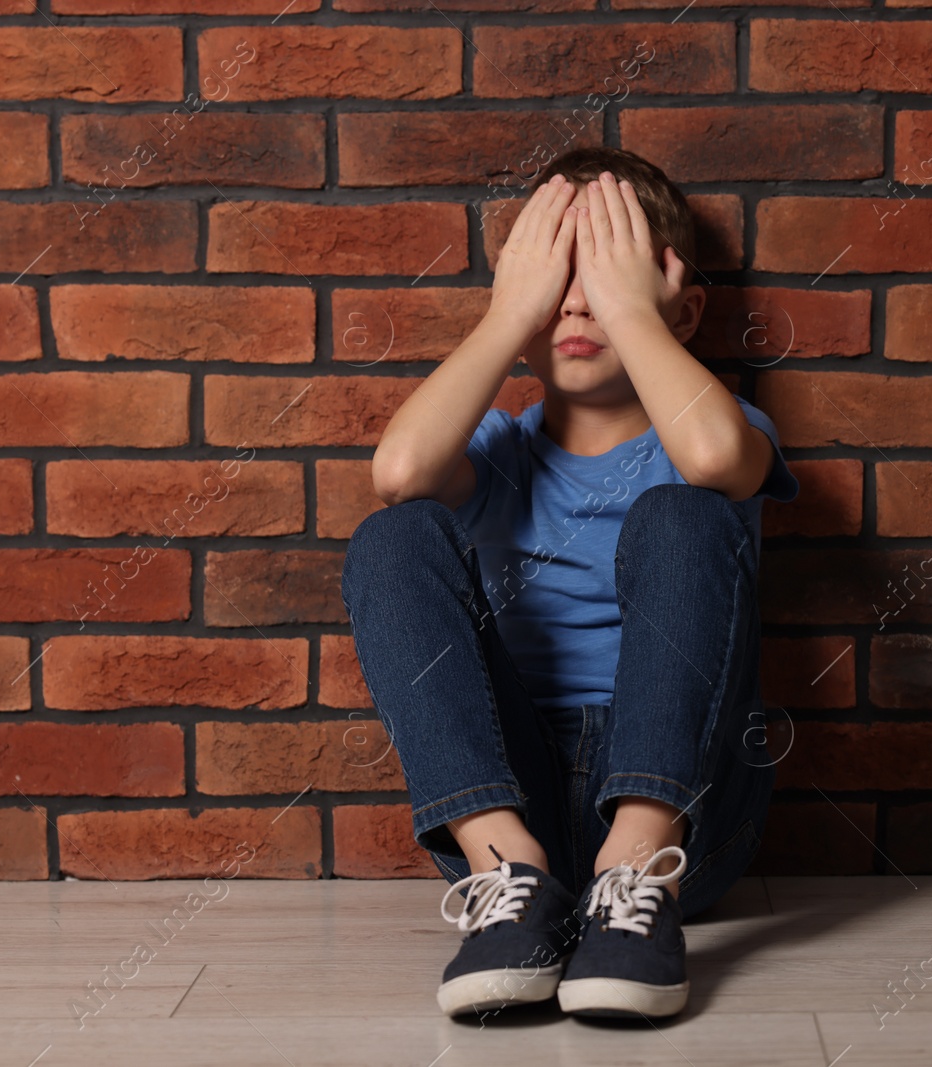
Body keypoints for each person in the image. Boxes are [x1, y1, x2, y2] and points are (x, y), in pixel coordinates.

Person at [340, 146, 800, 1021]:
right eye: (559, 278)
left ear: (679, 305)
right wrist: (511, 311)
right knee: (391, 537)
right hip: (516, 805)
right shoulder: (498, 452)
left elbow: (711, 461)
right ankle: (509, 877)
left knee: (684, 512)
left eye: (608, 276)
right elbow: (398, 472)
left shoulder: (719, 426)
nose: (581, 301)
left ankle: (632, 881)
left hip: (684, 817)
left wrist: (635, 317)